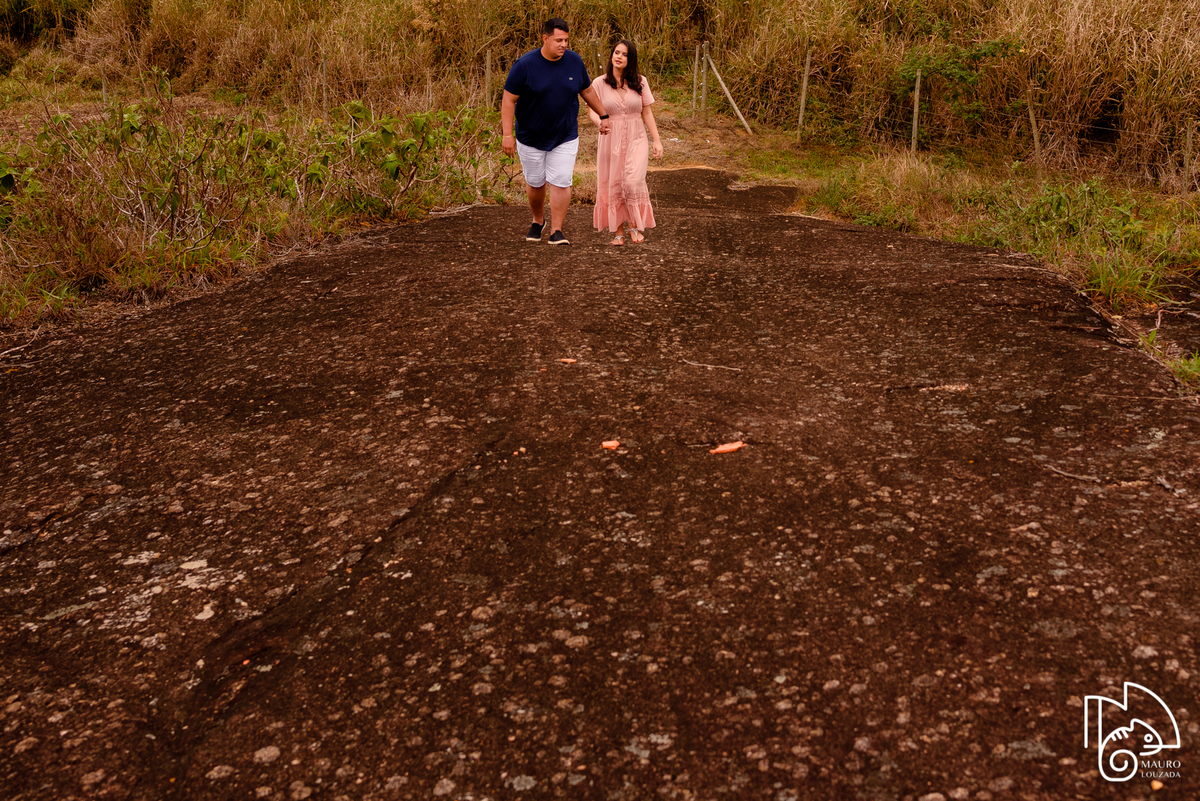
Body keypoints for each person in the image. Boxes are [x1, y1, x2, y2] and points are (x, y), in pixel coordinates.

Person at [501, 18, 611, 246]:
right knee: (535, 182)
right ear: (545, 38)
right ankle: (537, 221)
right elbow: (509, 99)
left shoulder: (574, 62)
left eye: (566, 41)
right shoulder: (525, 65)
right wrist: (507, 135)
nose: (563, 45)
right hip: (530, 137)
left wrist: (603, 115)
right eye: (559, 40)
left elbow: (587, 90)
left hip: (564, 135)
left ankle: (556, 230)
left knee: (561, 181)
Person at [587, 39, 663, 245]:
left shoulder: (640, 82)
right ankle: (618, 232)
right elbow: (592, 111)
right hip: (610, 138)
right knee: (613, 183)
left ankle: (635, 226)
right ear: (611, 55)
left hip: (637, 137)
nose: (619, 57)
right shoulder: (599, 83)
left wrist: (657, 140)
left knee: (632, 181)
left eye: (625, 54)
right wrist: (600, 124)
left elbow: (646, 111)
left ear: (631, 59)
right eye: (616, 52)